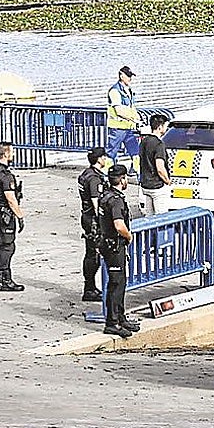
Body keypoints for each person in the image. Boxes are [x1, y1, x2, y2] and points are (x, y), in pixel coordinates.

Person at [98, 164, 139, 338]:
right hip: (114, 245)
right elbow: (119, 225)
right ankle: (112, 322)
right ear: (122, 180)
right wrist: (128, 236)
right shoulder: (115, 200)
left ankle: (120, 317)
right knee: (116, 283)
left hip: (108, 244)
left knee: (120, 282)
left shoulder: (106, 196)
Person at [0, 141, 25, 292]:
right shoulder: (6, 176)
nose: (13, 155)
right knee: (7, 247)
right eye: (12, 152)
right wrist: (20, 216)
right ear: (6, 153)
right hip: (5, 214)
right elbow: (10, 199)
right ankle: (6, 280)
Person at [78, 147, 110, 302]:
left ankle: (90, 286)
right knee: (94, 254)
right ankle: (89, 288)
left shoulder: (86, 174)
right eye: (104, 157)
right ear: (99, 159)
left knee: (91, 253)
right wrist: (104, 221)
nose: (106, 159)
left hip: (86, 216)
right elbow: (96, 203)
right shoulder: (94, 178)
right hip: (93, 220)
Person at [106, 66, 140, 167]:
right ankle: (107, 174)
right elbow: (119, 111)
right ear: (121, 76)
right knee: (111, 153)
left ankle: (138, 174)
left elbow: (131, 108)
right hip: (118, 129)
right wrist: (133, 119)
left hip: (128, 128)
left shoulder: (129, 90)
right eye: (128, 76)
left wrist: (138, 118)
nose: (130, 79)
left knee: (135, 153)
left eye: (131, 76)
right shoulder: (115, 91)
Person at [138, 113, 172, 216]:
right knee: (161, 217)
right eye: (166, 126)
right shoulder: (158, 144)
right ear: (160, 127)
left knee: (149, 216)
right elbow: (160, 168)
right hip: (157, 186)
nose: (166, 129)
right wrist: (167, 181)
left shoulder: (144, 141)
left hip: (145, 185)